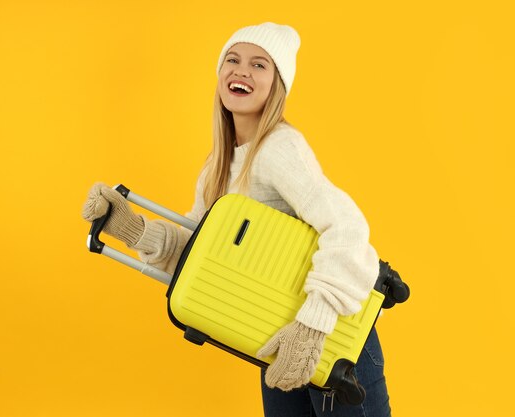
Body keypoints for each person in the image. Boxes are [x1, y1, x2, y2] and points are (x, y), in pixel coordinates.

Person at [82, 22, 392, 416]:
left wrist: (313, 325)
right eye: (233, 59)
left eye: (259, 65)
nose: (242, 71)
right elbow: (197, 252)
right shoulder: (219, 166)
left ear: (276, 85)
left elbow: (347, 227)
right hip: (278, 333)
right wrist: (130, 229)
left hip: (334, 335)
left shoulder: (279, 149)